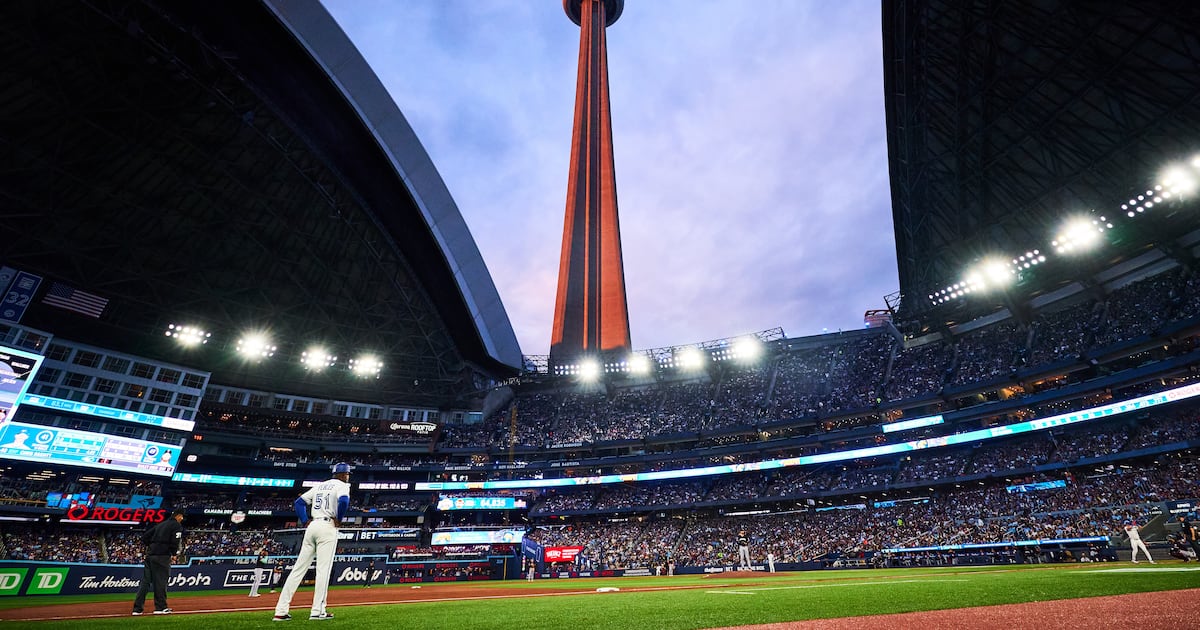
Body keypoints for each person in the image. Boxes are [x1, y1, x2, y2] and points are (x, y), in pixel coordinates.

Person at [273, 462, 351, 622]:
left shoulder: (321, 486)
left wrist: (304, 520)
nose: (348, 476)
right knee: (323, 570)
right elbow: (343, 501)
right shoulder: (342, 485)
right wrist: (339, 518)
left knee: (298, 570)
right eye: (348, 474)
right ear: (344, 475)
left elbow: (299, 503)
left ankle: (280, 611)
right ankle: (317, 611)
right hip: (327, 526)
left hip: (312, 526)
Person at [132, 509, 185, 615]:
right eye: (182, 517)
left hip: (150, 555)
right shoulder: (176, 526)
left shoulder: (161, 524)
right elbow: (176, 541)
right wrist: (174, 553)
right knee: (161, 581)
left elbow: (145, 537)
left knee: (145, 582)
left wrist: (152, 546)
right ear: (178, 516)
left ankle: (137, 609)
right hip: (162, 556)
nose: (182, 519)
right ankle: (160, 607)